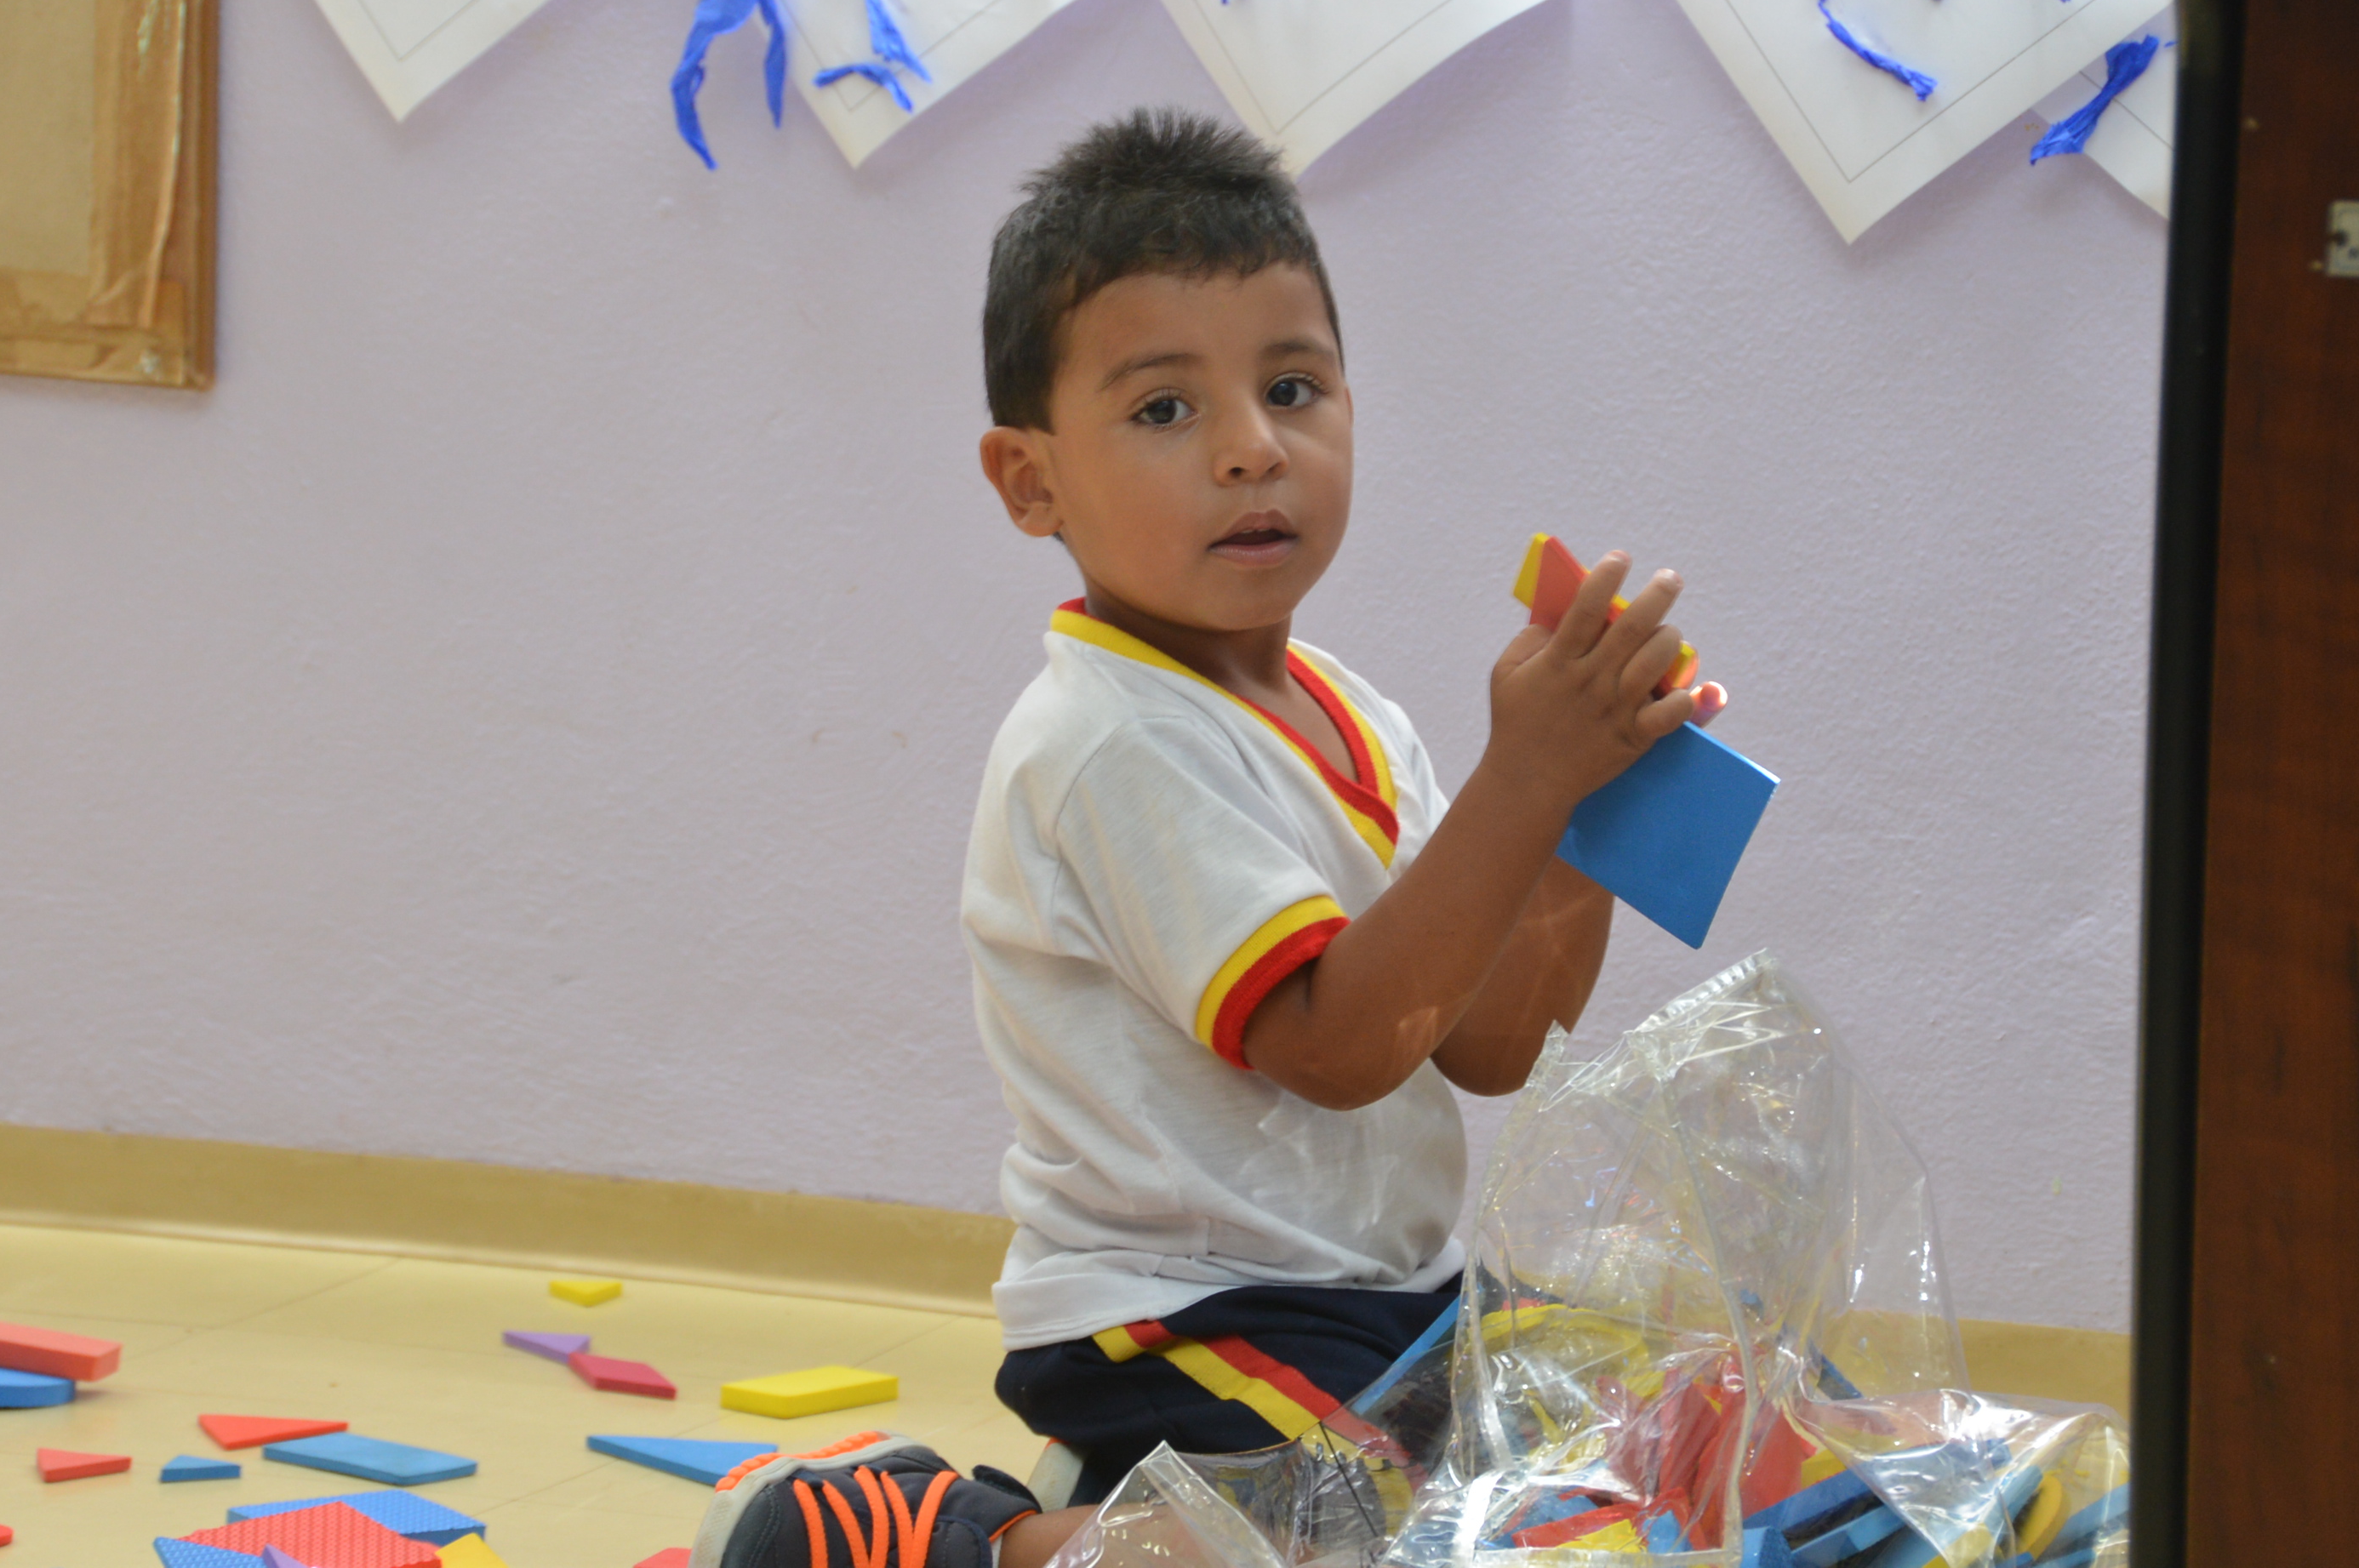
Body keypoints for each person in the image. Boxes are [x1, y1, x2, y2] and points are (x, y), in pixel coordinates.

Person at [690, 108, 1726, 1568]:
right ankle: (952, 1538)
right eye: (1166, 409)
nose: (1251, 450)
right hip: (1181, 1315)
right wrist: (1524, 777)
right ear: (1031, 481)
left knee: (1663, 1434)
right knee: (1396, 1536)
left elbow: (1489, 1044)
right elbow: (1337, 1045)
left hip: (1388, 1297)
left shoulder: (1354, 715)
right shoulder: (1109, 740)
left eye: (1292, 388)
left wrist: (1577, 803)